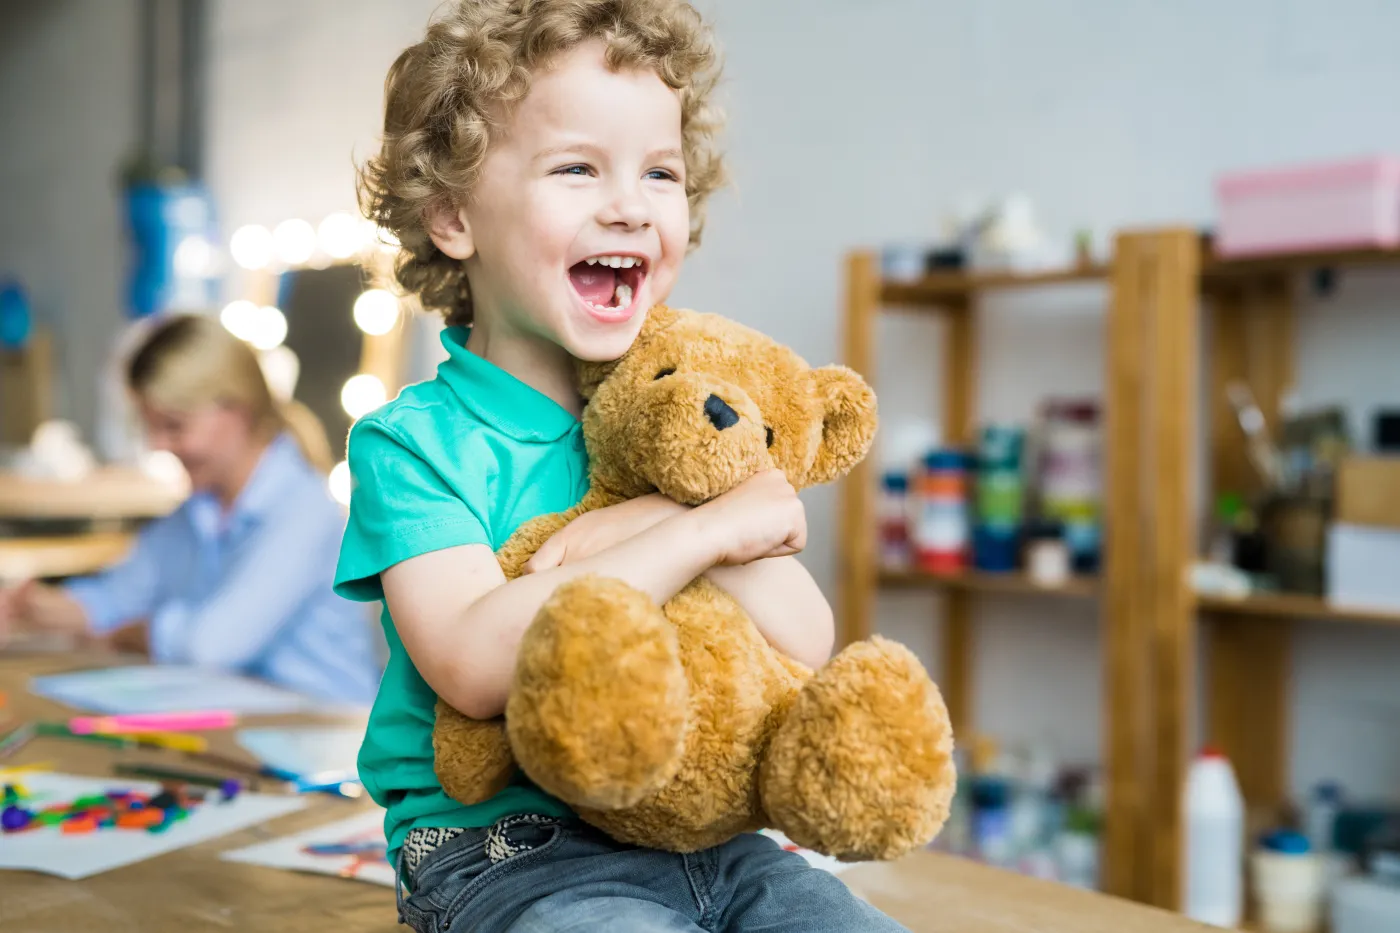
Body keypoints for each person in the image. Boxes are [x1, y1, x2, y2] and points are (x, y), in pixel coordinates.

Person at [335, 2, 908, 930]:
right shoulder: (413, 443)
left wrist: (676, 519)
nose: (631, 206)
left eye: (660, 173)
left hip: (709, 838)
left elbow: (805, 636)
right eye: (577, 168)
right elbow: (477, 662)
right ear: (451, 214)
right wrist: (702, 530)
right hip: (506, 850)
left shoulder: (680, 408)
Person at [0, 314, 381, 705]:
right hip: (242, 719)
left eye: (173, 426)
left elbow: (211, 646)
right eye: (150, 427)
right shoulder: (197, 511)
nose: (158, 445)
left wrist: (135, 633)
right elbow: (120, 593)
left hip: (329, 728)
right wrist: (34, 605)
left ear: (237, 411)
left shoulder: (306, 512)